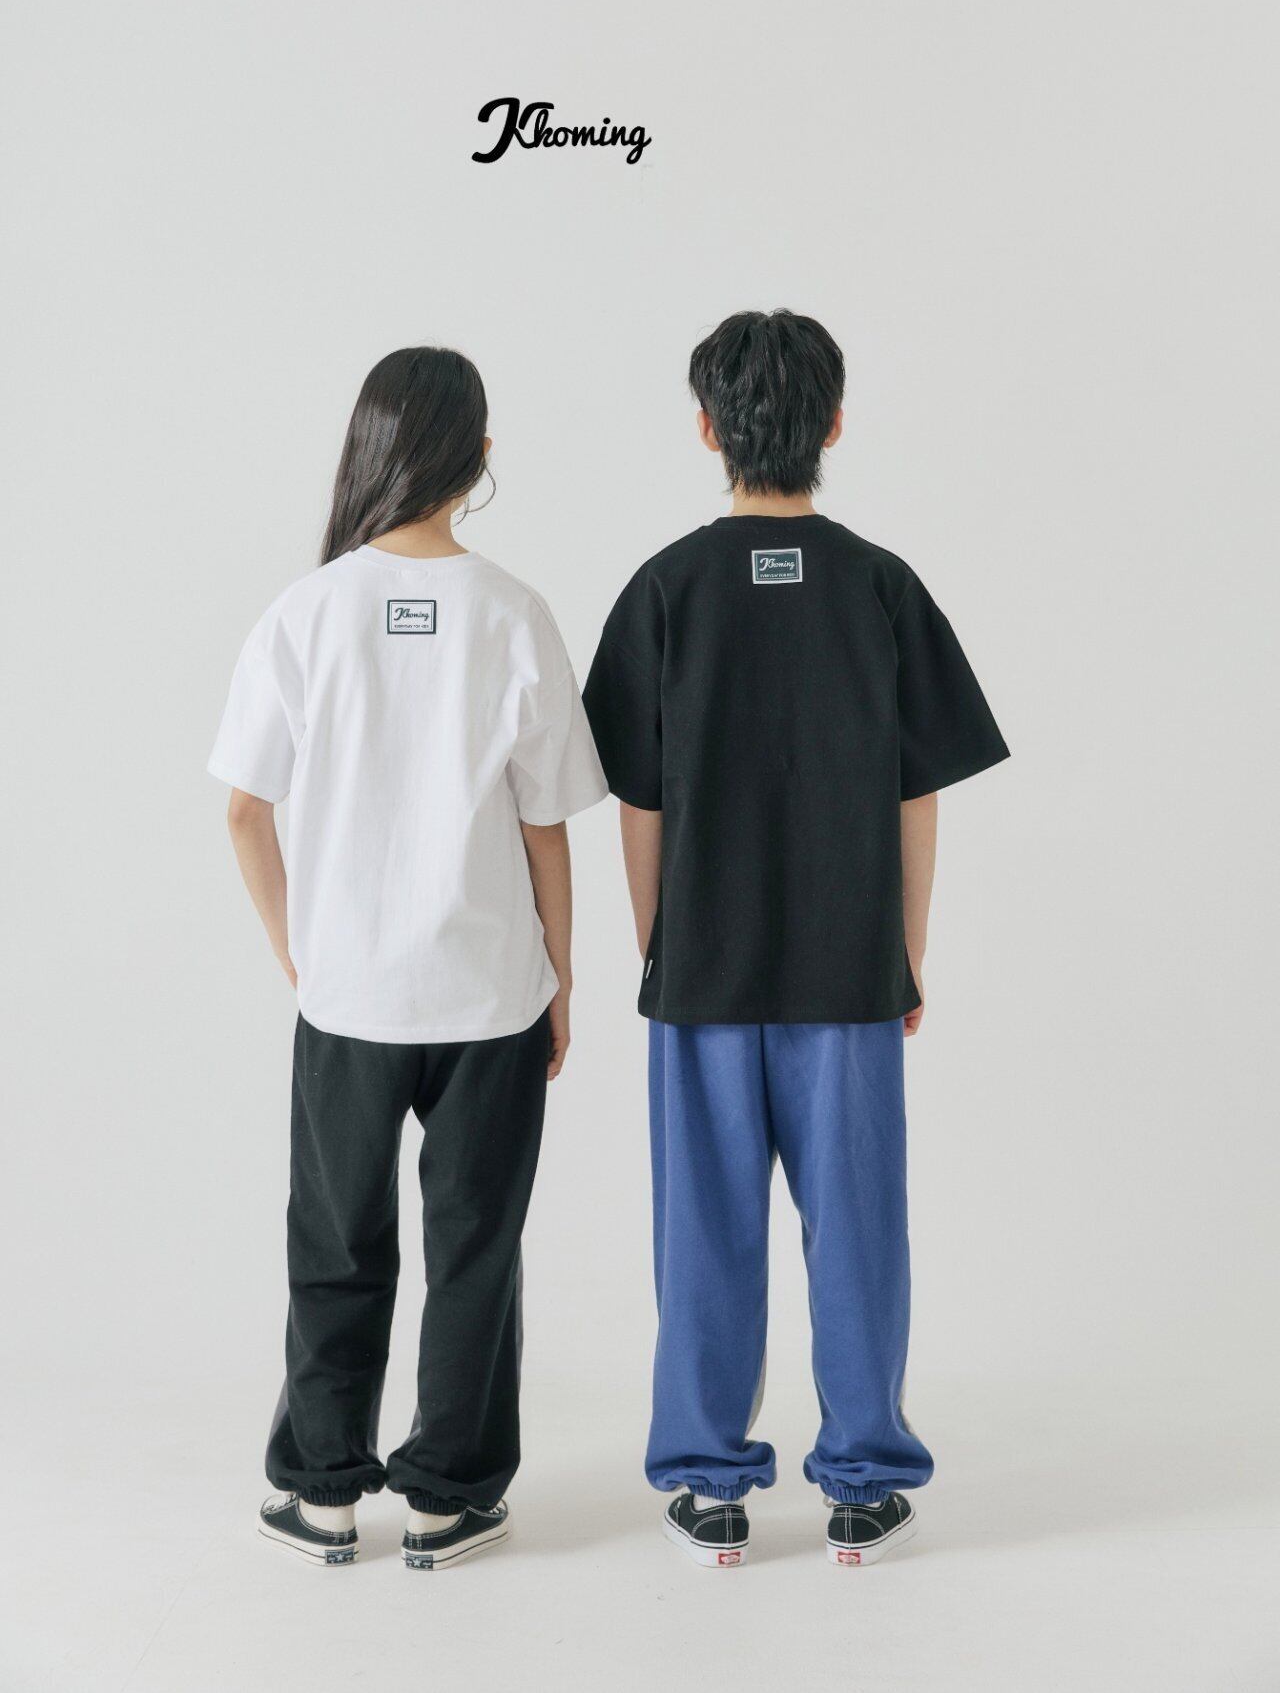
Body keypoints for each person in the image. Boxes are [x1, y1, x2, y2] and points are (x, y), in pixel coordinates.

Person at [582, 310, 1009, 1568]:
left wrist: (660, 948)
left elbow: (638, 801)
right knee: (859, 1225)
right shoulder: (880, 586)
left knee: (702, 1231)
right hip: (846, 970)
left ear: (704, 429)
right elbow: (914, 793)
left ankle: (707, 1481)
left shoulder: (664, 588)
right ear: (832, 424)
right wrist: (904, 953)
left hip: (701, 974)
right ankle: (863, 1481)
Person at [209, 346, 605, 1569]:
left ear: (370, 446)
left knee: (336, 1244)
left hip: (348, 997)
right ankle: (447, 1497)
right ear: (479, 455)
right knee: (475, 1249)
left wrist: (299, 950)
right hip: (490, 994)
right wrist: (561, 977)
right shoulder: (514, 612)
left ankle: (323, 1493)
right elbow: (545, 825)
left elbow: (243, 810)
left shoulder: (304, 613)